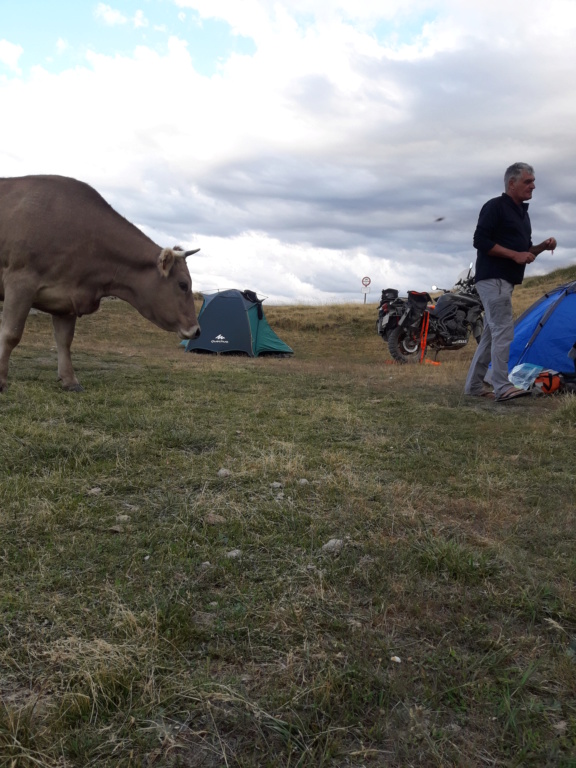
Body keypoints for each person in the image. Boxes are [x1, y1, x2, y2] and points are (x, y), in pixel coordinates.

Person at [464, 162, 557, 402]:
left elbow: (526, 251)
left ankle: (474, 386)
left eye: (533, 181)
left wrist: (541, 248)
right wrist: (515, 255)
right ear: (512, 183)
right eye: (528, 181)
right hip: (492, 278)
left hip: (505, 281)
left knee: (492, 334)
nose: (533, 186)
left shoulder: (522, 215)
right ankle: (503, 386)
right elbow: (480, 240)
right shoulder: (494, 207)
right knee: (503, 331)